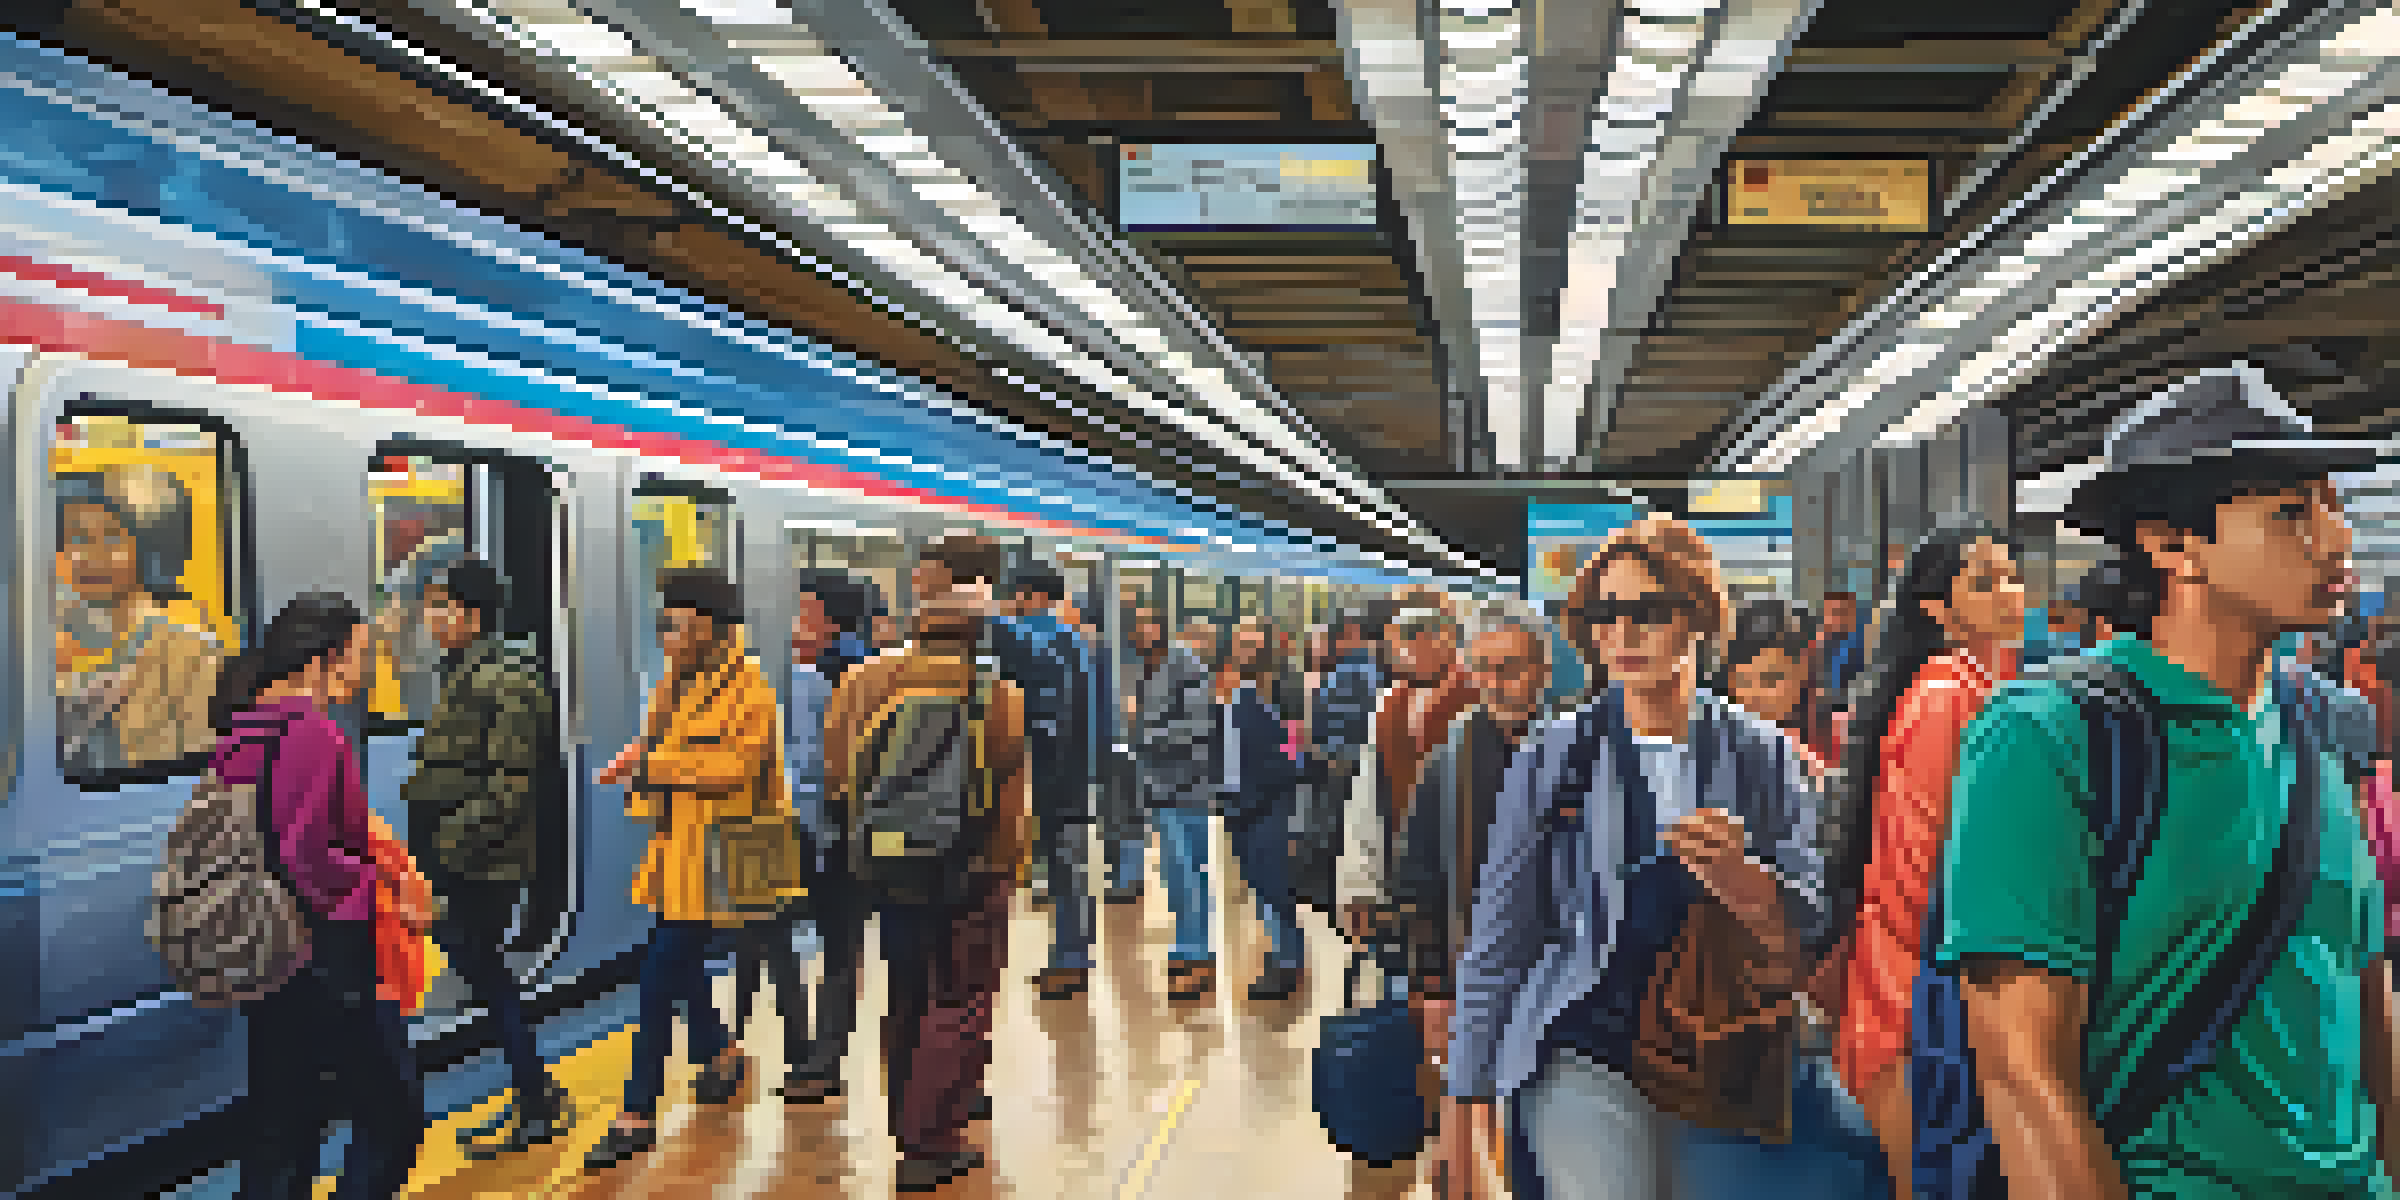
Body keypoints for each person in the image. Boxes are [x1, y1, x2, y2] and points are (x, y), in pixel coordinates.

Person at [1938, 366, 2398, 1198]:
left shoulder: (2327, 728)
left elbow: (2367, 1013)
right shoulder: (2048, 737)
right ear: (2170, 544)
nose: (2334, 540)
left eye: (2332, 506)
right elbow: (2023, 1077)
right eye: (2291, 514)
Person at [1440, 516, 1828, 1200]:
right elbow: (1499, 940)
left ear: (1698, 618)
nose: (1621, 634)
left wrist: (1743, 882)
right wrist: (1462, 1099)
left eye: (1647, 612)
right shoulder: (1555, 756)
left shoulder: (1762, 756)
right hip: (1584, 1043)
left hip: (1720, 1047)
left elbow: (1809, 927)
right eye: (1603, 614)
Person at [1813, 527, 2024, 1198]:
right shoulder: (1943, 695)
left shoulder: (1980, 684)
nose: (2010, 592)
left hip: (1931, 984)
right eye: (1985, 580)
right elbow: (1920, 859)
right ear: (1939, 608)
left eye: (2010, 575)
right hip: (1917, 997)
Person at [822, 534, 1028, 1191]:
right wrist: (1008, 866)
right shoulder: (1000, 696)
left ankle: (903, 1121)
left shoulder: (863, 682)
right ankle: (931, 1139)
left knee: (905, 992)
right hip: (972, 869)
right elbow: (1007, 797)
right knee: (962, 998)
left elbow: (834, 779)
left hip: (889, 866)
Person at [213, 592, 429, 1200]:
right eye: (361, 654)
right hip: (322, 953)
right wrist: (378, 888)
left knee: (283, 1119)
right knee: (393, 1110)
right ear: (325, 658)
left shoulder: (247, 727)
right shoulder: (311, 731)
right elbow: (306, 853)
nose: (365, 670)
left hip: (267, 947)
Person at [585, 568, 776, 1170]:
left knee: (659, 972)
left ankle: (636, 1111)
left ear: (711, 624)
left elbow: (735, 768)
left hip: (722, 854)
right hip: (677, 850)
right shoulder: (672, 684)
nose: (665, 628)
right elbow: (658, 742)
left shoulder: (752, 689)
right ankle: (720, 1053)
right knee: (681, 963)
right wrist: (635, 758)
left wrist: (656, 764)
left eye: (676, 617)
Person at [397, 557, 569, 1158]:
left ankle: (536, 1100)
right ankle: (536, 1093)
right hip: (462, 857)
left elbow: (511, 787)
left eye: (442, 606)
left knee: (488, 977)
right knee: (485, 975)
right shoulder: (465, 672)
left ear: (472, 614)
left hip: (479, 862)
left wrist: (446, 848)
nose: (431, 617)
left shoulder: (509, 680)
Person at [1387, 600, 1555, 1098]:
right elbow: (1418, 879)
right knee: (1476, 1113)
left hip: (1562, 980)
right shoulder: (1447, 764)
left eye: (1508, 669)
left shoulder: (1580, 753)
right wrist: (1432, 986)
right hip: (1474, 979)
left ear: (1542, 672)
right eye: (1482, 668)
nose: (1493, 683)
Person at [733, 569, 855, 1103]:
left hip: (768, 827)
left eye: (802, 612)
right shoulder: (827, 680)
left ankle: (772, 1050)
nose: (794, 623)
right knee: (835, 945)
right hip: (819, 830)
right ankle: (818, 1059)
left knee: (761, 943)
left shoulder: (788, 679)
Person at [54, 465, 225, 774]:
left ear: (154, 544)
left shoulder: (195, 655)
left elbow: (188, 773)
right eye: (76, 537)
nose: (88, 556)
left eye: (110, 537)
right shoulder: (59, 634)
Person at [991, 564, 1099, 999]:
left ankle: (1071, 959)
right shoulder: (1074, 641)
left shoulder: (1044, 637)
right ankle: (1071, 955)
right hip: (1071, 769)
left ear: (1030, 597)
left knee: (1065, 868)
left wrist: (985, 615)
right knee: (1068, 867)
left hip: (1050, 772)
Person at [1336, 607, 1474, 947]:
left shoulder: (1478, 695)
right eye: (1407, 634)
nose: (1415, 644)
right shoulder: (1388, 706)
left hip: (1468, 866)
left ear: (1449, 638)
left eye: (1426, 632)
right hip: (1402, 867)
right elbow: (1367, 796)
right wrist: (1359, 882)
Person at [1133, 606, 1223, 999]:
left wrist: (1145, 734)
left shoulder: (1185, 666)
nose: (1140, 630)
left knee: (1186, 873)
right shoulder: (1151, 666)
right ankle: (1191, 950)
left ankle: (1195, 953)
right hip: (1165, 786)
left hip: (1185, 787)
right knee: (1180, 874)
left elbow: (1199, 725)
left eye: (1146, 621)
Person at [1218, 617, 1308, 1000]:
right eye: (1241, 636)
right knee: (1260, 885)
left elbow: (1295, 753)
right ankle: (1280, 957)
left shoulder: (1284, 687)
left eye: (1254, 637)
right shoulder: (1237, 687)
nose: (1247, 643)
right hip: (1243, 807)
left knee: (1275, 887)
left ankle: (1288, 965)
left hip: (1270, 806)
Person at [1298, 608, 1383, 916]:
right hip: (1358, 763)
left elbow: (1321, 722)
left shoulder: (1348, 672)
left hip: (1341, 764)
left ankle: (1325, 896)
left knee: (1331, 832)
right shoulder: (1373, 670)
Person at [1723, 599, 1831, 768]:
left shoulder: (1812, 760)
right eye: (1743, 682)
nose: (1754, 695)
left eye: (1771, 679)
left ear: (1801, 676)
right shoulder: (1706, 746)